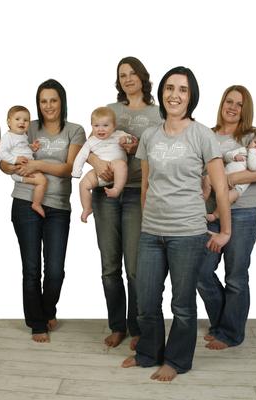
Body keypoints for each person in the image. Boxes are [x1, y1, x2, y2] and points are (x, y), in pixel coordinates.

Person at [121, 66, 231, 381]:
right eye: (170, 88)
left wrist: (226, 230)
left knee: (182, 304)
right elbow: (145, 184)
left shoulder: (201, 134)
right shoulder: (150, 135)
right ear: (162, 93)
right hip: (152, 231)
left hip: (188, 232)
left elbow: (220, 186)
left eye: (182, 89)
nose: (175, 95)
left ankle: (177, 360)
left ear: (191, 96)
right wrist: (148, 220)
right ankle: (148, 353)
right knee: (146, 300)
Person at [0, 79, 86, 343]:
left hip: (58, 206)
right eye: (43, 101)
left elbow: (70, 168)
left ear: (62, 102)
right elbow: (4, 163)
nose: (48, 105)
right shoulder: (27, 126)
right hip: (25, 201)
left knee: (55, 270)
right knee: (31, 267)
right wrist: (14, 167)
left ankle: (48, 309)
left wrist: (37, 165)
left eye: (53, 100)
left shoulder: (75, 130)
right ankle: (37, 323)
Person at [87, 57, 162, 348]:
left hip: (136, 193)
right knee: (109, 266)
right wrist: (96, 163)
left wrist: (136, 147)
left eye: (132, 73)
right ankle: (117, 326)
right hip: (105, 193)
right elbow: (90, 145)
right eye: (122, 75)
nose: (128, 79)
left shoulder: (158, 114)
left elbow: (161, 151)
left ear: (143, 77)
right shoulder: (111, 109)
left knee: (134, 267)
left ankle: (138, 327)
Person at [197, 85, 256, 350]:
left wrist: (229, 178)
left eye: (238, 104)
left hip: (245, 212)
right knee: (201, 271)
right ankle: (221, 324)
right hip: (213, 211)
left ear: (245, 109)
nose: (231, 107)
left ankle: (231, 333)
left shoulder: (254, 136)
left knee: (235, 274)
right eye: (228, 101)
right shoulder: (205, 134)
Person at [72, 106, 132, 222]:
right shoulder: (91, 141)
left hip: (117, 170)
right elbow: (81, 156)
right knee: (83, 185)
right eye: (96, 126)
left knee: (121, 164)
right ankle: (87, 208)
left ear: (114, 126)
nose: (101, 129)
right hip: (99, 171)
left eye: (105, 125)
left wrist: (127, 140)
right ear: (91, 126)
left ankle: (116, 189)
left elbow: (132, 139)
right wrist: (76, 172)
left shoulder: (119, 135)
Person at [0, 105, 47, 218]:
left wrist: (31, 148)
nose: (22, 122)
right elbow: (0, 152)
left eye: (26, 120)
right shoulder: (8, 137)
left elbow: (21, 148)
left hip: (25, 166)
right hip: (19, 168)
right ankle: (36, 204)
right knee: (42, 181)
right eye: (17, 119)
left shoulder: (22, 135)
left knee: (41, 179)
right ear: (8, 122)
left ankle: (34, 199)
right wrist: (15, 160)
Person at [203, 129, 256, 206]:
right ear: (251, 141)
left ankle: (216, 214)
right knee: (207, 179)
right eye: (255, 142)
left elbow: (252, 167)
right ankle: (203, 199)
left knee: (228, 198)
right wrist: (234, 156)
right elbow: (226, 156)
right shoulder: (244, 150)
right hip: (225, 173)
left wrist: (252, 153)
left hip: (239, 187)